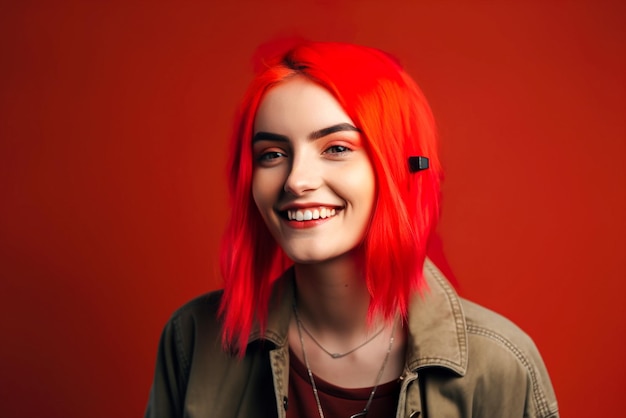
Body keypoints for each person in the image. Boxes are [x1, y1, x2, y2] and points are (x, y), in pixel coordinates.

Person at [145, 41, 559, 418]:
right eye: (271, 154)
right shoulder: (194, 340)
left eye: (337, 149)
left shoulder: (501, 365)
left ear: (401, 166)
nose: (296, 180)